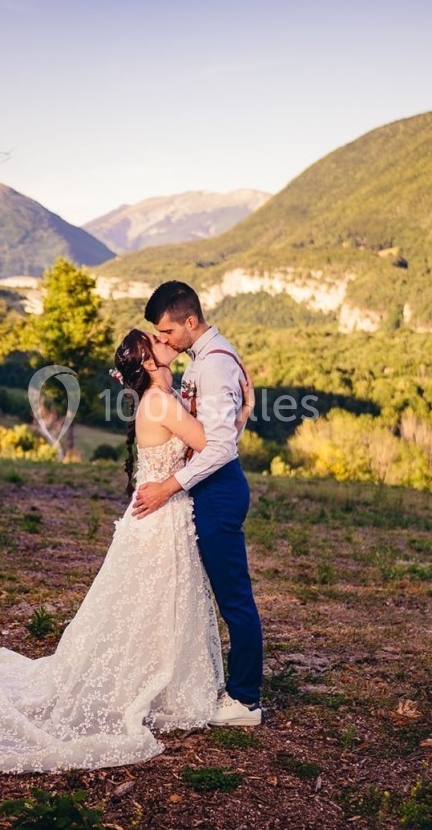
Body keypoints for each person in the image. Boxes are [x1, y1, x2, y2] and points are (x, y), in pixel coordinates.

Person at [0, 329, 253, 772]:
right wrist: (244, 410)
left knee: (149, 604)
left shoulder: (159, 399)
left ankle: (152, 682)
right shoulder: (162, 403)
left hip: (158, 516)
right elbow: (214, 444)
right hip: (161, 518)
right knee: (154, 602)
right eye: (156, 340)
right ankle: (148, 684)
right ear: (150, 363)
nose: (162, 339)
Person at [133, 281, 264, 727]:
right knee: (207, 595)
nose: (164, 340)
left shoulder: (214, 366)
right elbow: (216, 434)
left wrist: (168, 486)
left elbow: (220, 448)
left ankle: (245, 700)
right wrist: (243, 414)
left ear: (190, 321)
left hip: (218, 492)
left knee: (234, 597)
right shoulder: (201, 359)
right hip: (206, 488)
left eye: (168, 331)